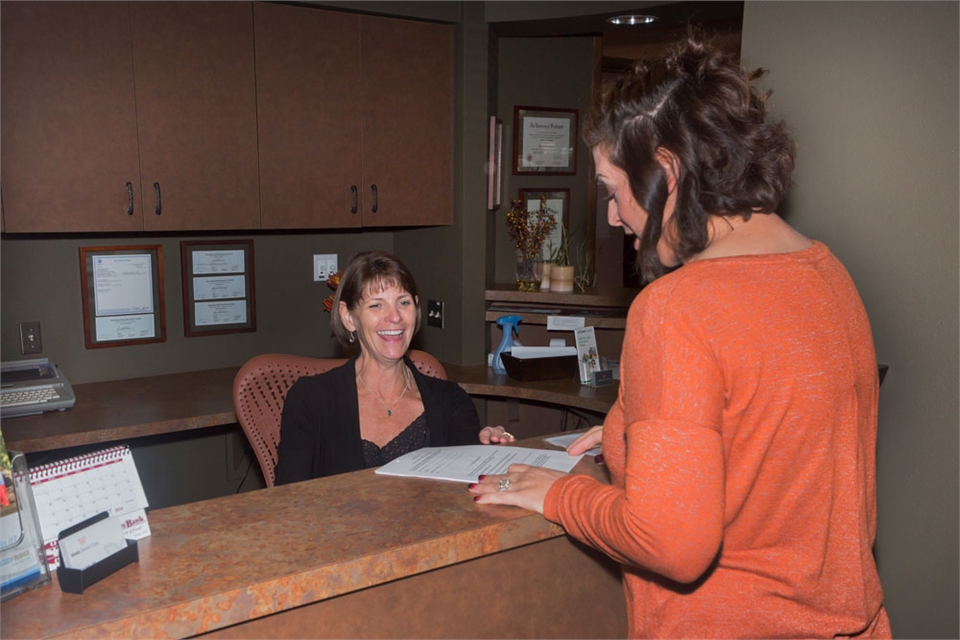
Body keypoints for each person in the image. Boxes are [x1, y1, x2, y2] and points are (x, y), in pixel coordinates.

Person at [470, 32, 890, 638]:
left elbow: (671, 542)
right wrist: (631, 431)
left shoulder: (675, 307)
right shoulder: (828, 274)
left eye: (615, 191)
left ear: (666, 169)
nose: (613, 217)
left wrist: (564, 495)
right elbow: (769, 440)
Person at [275, 250, 513, 484]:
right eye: (376, 305)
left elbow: (468, 494)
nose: (395, 317)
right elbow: (288, 504)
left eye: (403, 302)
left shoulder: (451, 402)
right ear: (348, 317)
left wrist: (488, 455)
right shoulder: (310, 400)